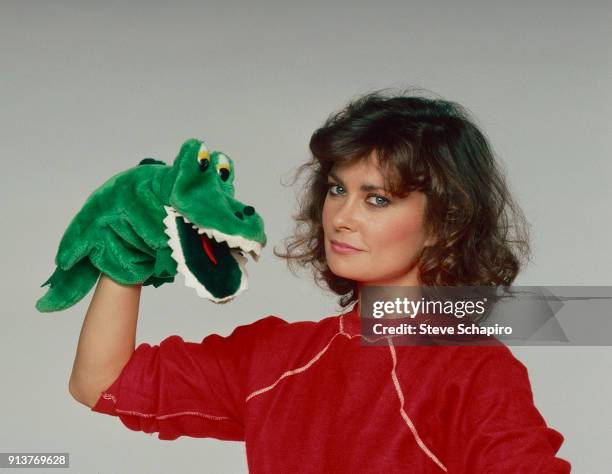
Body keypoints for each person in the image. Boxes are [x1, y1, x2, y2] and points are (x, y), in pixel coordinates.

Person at [68, 89, 571, 472]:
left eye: (377, 198)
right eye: (337, 189)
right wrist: (124, 258)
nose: (341, 217)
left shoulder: (472, 369)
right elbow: (103, 383)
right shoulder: (279, 359)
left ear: (447, 224)